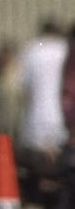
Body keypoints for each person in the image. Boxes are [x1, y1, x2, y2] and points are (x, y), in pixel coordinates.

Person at [16, 19, 68, 154]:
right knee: (58, 153)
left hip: (36, 114)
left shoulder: (31, 49)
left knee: (38, 154)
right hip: (60, 113)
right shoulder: (64, 49)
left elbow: (22, 83)